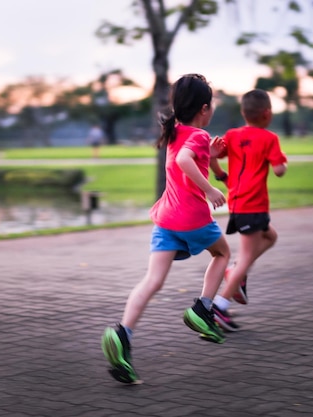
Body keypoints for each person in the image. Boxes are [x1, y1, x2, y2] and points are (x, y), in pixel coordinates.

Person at [100, 74, 230, 384]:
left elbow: (185, 158)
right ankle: (203, 308)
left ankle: (123, 335)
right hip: (192, 218)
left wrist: (210, 156)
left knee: (152, 280)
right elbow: (187, 160)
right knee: (222, 254)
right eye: (211, 106)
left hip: (166, 220)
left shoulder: (174, 132)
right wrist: (210, 189)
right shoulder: (198, 134)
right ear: (204, 108)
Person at [209, 89, 287, 332]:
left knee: (271, 236)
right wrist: (282, 163)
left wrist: (220, 173)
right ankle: (219, 307)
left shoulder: (232, 135)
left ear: (244, 113)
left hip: (239, 203)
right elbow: (279, 170)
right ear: (267, 114)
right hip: (253, 204)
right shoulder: (269, 139)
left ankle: (235, 272)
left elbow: (213, 155)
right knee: (245, 258)